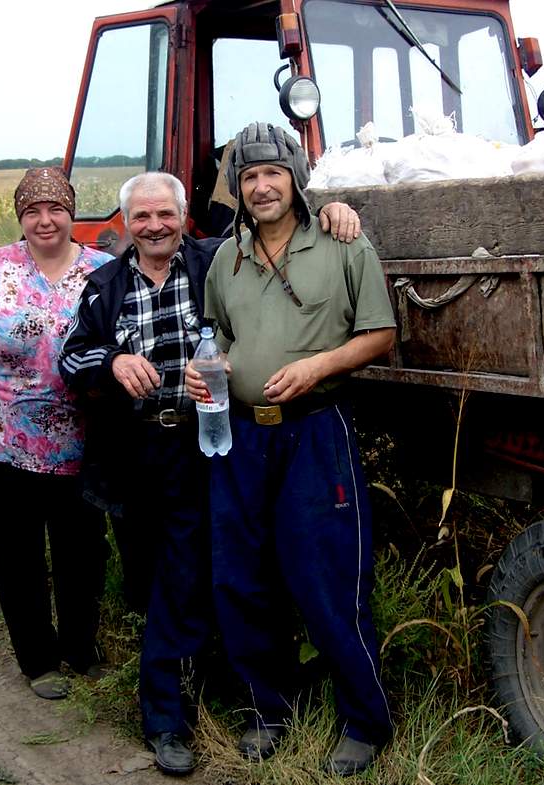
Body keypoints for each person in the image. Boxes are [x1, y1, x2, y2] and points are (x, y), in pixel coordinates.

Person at [60, 171, 360, 776]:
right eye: (141, 217)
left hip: (227, 440)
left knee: (248, 569)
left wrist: (334, 208)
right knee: (175, 579)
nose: (154, 226)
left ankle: (261, 698)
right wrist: (114, 360)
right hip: (151, 449)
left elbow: (279, 225)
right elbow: (70, 355)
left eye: (165, 214)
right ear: (125, 224)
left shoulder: (218, 259)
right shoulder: (103, 286)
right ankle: (167, 719)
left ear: (183, 216)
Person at [185, 122, 397, 777]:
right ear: (240, 190)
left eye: (272, 173)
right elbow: (219, 333)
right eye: (249, 177)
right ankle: (266, 710)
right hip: (242, 435)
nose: (262, 186)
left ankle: (364, 722)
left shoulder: (341, 241)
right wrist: (206, 368)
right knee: (241, 576)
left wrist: (316, 366)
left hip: (314, 430)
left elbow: (381, 332)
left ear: (294, 177)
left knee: (327, 575)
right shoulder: (227, 258)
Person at [0, 167, 112, 701]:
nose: (45, 220)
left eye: (56, 208)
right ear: (21, 217)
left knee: (82, 552)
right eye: (33, 211)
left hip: (81, 445)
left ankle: (80, 650)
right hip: (1, 444)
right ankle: (39, 661)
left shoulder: (104, 272)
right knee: (16, 553)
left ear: (71, 212)